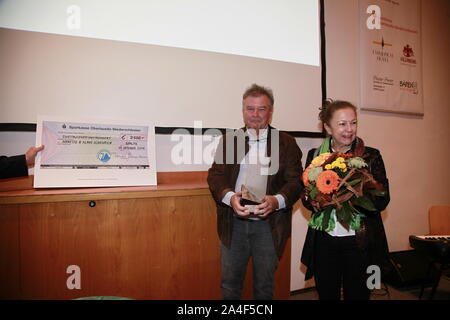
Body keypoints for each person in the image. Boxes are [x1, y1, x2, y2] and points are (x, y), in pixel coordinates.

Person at [207, 84, 303, 299]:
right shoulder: (231, 140)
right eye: (250, 109)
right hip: (234, 224)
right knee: (229, 285)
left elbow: (296, 181)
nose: (255, 115)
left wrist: (276, 201)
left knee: (264, 287)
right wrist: (230, 198)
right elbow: (215, 176)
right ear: (243, 111)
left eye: (262, 109)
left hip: (269, 226)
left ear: (271, 111)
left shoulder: (286, 143)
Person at [300, 100, 390, 300]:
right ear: (327, 127)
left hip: (359, 241)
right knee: (327, 294)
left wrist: (348, 193)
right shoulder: (315, 156)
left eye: (353, 123)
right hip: (325, 241)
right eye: (342, 124)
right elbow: (306, 199)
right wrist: (318, 198)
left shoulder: (371, 156)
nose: (349, 129)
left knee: (358, 295)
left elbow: (382, 200)